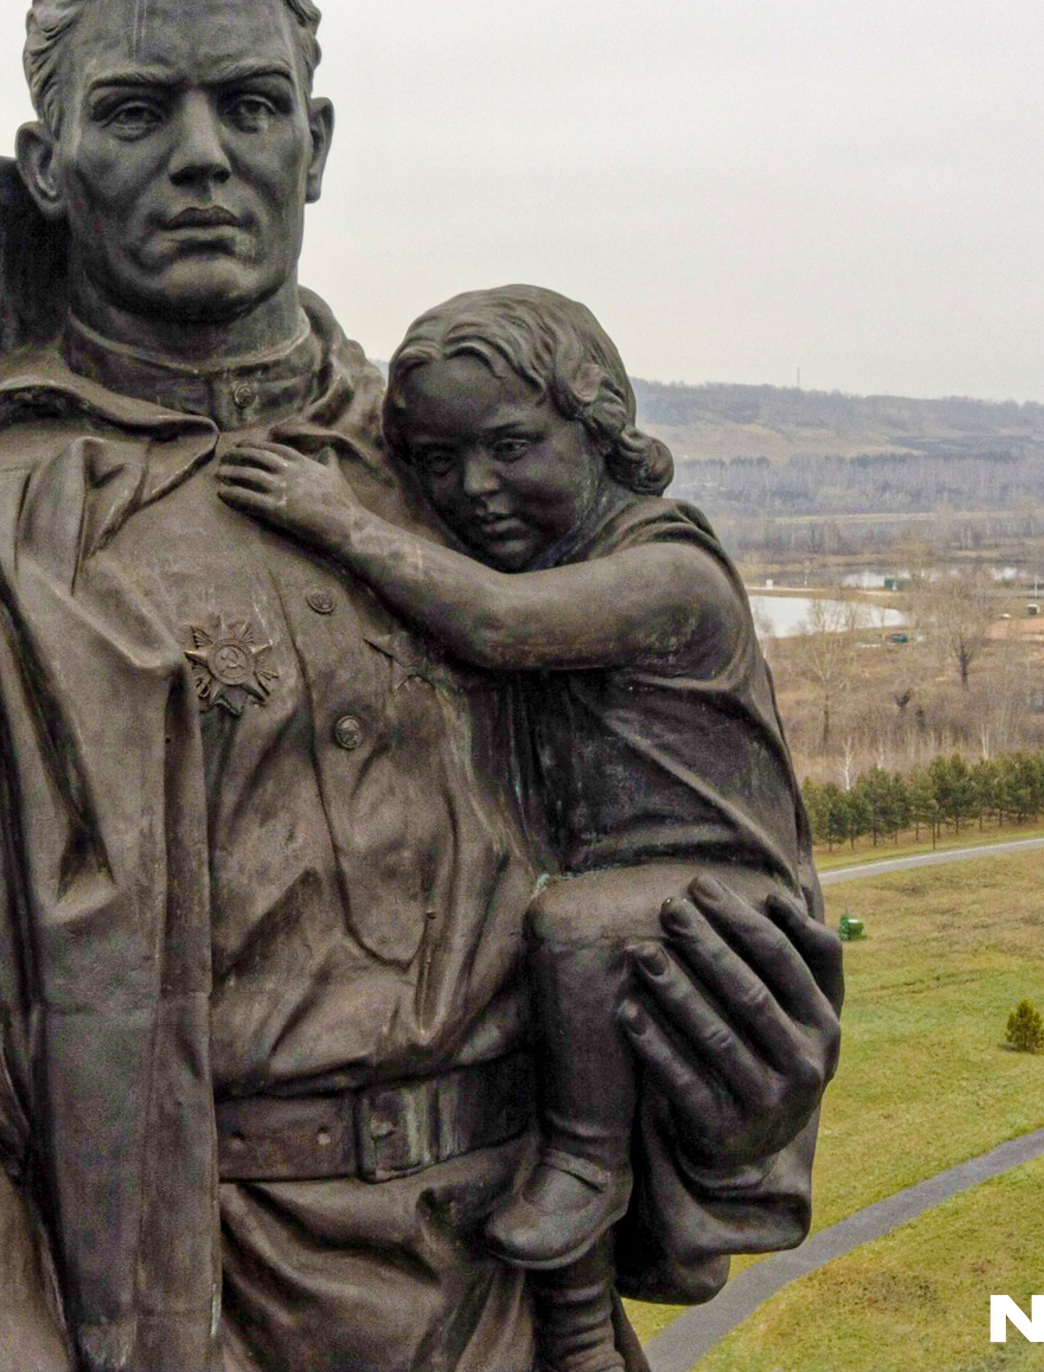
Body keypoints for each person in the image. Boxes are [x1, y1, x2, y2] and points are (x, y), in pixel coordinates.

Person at [0, 0, 842, 1372]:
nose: (200, 155)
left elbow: (666, 838)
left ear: (317, 141)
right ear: (48, 168)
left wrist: (729, 1073)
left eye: (247, 105)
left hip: (513, 1299)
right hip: (160, 1310)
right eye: (132, 112)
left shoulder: (468, 486)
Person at [215, 284, 820, 1372]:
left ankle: (590, 1166)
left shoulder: (671, 576)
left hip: (713, 891)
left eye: (509, 447)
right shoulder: (533, 548)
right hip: (612, 895)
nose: (473, 490)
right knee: (548, 1006)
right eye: (438, 466)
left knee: (570, 934)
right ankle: (577, 1316)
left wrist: (336, 518)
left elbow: (500, 629)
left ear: (596, 428)